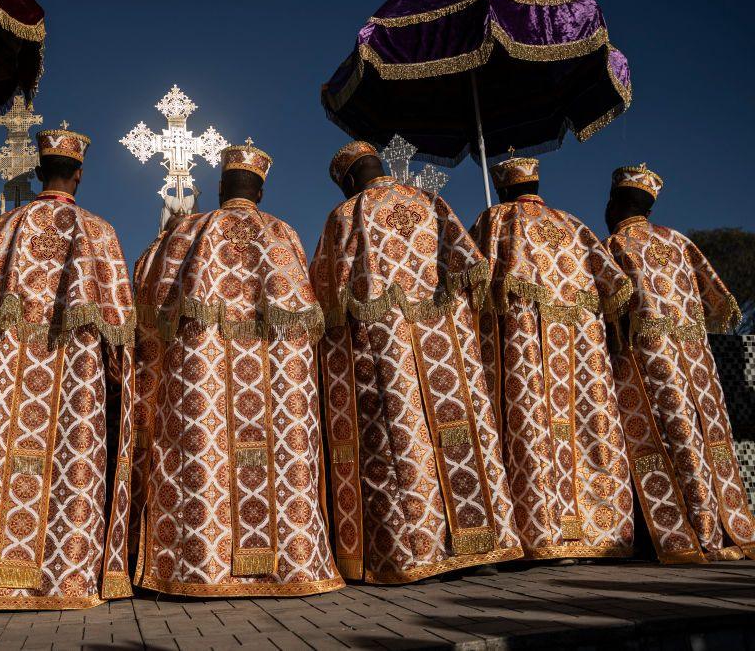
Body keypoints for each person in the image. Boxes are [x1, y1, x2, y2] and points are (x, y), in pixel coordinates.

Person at [132, 139, 343, 597]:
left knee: (201, 455)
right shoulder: (282, 234)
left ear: (220, 186)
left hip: (203, 377)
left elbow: (146, 295)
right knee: (284, 457)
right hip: (275, 382)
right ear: (260, 192)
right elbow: (310, 314)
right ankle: (293, 563)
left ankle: (198, 564)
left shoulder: (186, 233)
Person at [308, 141, 523, 583]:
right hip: (448, 344)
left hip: (387, 349)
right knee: (464, 433)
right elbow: (472, 268)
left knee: (400, 439)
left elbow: (326, 298)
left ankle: (418, 551)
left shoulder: (348, 214)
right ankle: (487, 542)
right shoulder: (430, 202)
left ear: (349, 180)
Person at [0, 125, 137, 610]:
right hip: (74, 371)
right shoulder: (97, 230)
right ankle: (65, 579)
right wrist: (120, 374)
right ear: (78, 175)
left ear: (37, 172)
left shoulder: (5, 228)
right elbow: (120, 322)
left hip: (6, 369)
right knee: (72, 462)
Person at [470, 155, 635, 562]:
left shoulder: (497, 219)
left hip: (523, 345)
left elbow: (473, 280)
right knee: (585, 428)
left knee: (530, 424)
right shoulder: (574, 224)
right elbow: (618, 285)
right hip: (581, 348)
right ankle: (601, 532)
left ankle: (541, 533)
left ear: (506, 187)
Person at [604, 163, 755, 562]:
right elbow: (720, 300)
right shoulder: (679, 241)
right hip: (696, 359)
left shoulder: (617, 244)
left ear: (616, 203)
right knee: (706, 436)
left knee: (667, 437)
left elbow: (609, 304)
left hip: (650, 358)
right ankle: (726, 526)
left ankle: (688, 532)